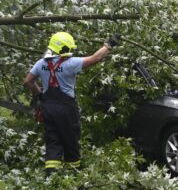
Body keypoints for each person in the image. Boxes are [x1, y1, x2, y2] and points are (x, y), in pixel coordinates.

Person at [23, 32, 120, 175]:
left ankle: (51, 176)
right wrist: (109, 44)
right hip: (66, 109)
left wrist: (39, 94)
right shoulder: (71, 63)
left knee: (53, 140)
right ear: (63, 48)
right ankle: (73, 175)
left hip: (48, 107)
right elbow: (96, 58)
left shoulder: (40, 63)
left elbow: (27, 82)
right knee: (70, 140)